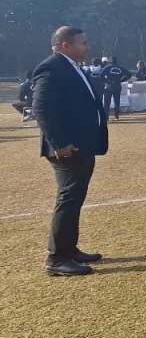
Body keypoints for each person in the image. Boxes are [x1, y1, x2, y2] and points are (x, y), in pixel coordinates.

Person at [32, 26, 108, 276]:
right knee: (68, 199)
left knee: (75, 199)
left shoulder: (72, 66)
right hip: (67, 148)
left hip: (81, 145)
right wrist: (59, 143)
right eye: (82, 42)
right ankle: (56, 258)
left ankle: (69, 249)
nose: (87, 46)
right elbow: (41, 109)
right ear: (65, 45)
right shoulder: (51, 68)